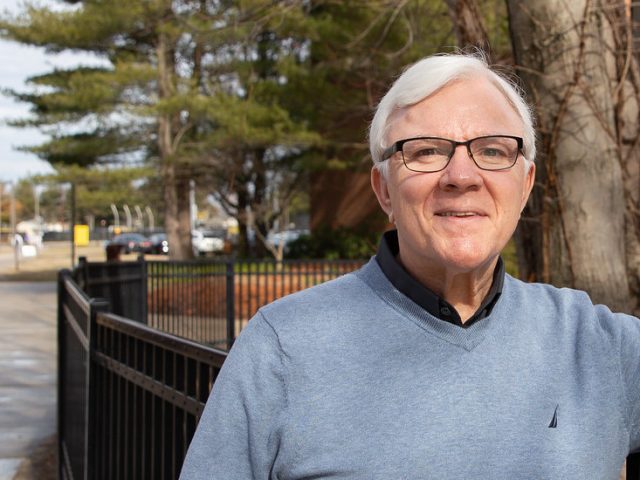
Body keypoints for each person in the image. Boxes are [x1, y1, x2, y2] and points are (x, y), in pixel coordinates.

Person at [180, 52, 640, 479]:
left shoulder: (601, 349)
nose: (462, 177)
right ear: (383, 191)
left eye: (495, 150)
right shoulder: (281, 348)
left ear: (525, 186)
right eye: (426, 151)